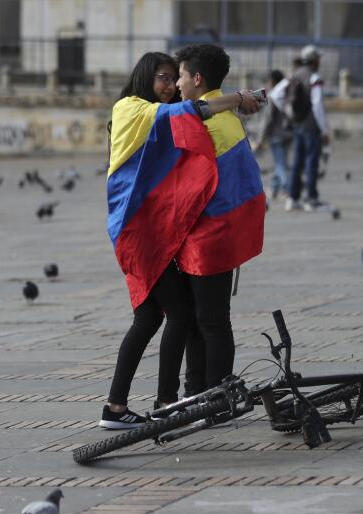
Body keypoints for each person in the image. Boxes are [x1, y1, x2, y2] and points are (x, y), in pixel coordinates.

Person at [103, 52, 263, 429]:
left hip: (149, 233)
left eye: (176, 77)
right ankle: (164, 402)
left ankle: (128, 407)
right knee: (179, 314)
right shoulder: (130, 108)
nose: (171, 85)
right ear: (144, 76)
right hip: (138, 232)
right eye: (163, 77)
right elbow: (194, 112)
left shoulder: (156, 116)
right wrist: (239, 99)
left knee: (153, 317)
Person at [174, 43, 267, 393]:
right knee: (205, 320)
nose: (178, 84)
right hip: (222, 232)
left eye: (181, 76)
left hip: (208, 234)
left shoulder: (201, 124)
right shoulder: (225, 116)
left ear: (197, 78)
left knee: (210, 321)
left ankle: (212, 393)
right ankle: (198, 392)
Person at [286, 45, 330, 212]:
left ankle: (293, 197)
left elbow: (278, 95)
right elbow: (317, 104)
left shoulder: (295, 75)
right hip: (311, 125)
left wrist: (290, 114)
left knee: (297, 161)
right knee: (312, 161)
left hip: (298, 123)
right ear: (314, 60)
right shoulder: (314, 77)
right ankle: (311, 198)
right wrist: (324, 129)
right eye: (318, 58)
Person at [253, 70, 293, 199]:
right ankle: (275, 188)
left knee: (280, 164)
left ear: (272, 81)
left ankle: (287, 189)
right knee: (279, 162)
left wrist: (260, 139)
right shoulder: (285, 95)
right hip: (287, 133)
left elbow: (267, 120)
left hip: (276, 135)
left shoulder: (273, 96)